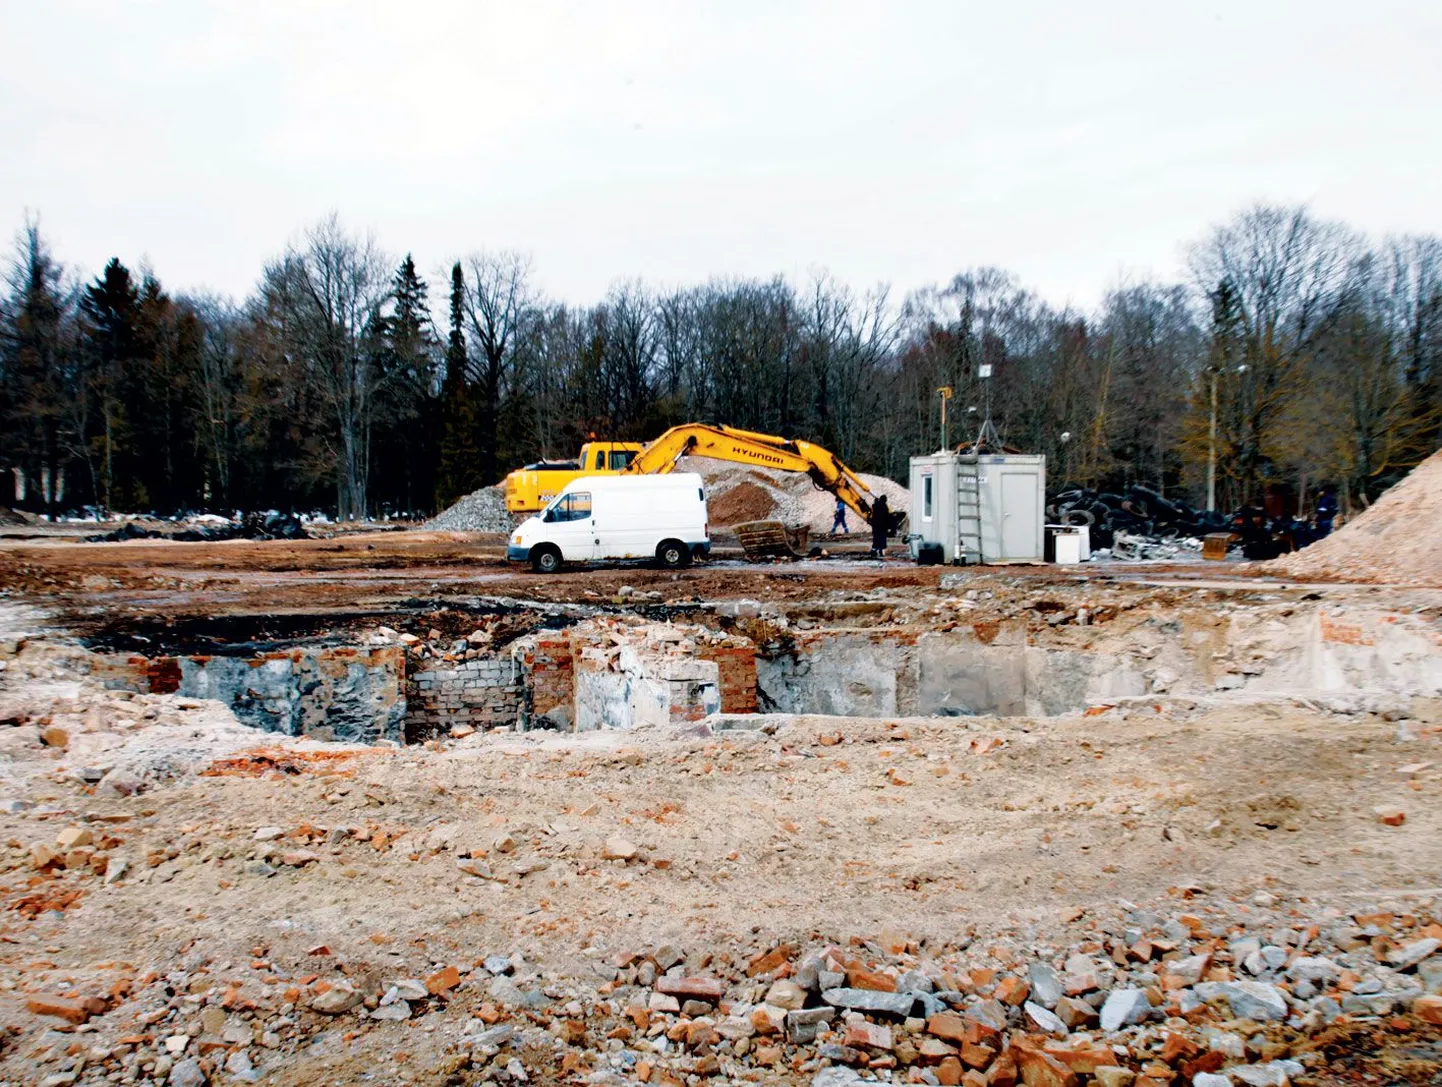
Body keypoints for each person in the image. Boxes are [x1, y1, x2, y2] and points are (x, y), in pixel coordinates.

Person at [869, 494, 890, 559]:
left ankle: (874, 550)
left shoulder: (875, 505)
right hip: (882, 526)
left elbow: (872, 514)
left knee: (876, 538)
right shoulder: (885, 507)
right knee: (882, 538)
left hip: (875, 525)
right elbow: (886, 517)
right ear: (885, 500)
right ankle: (880, 551)